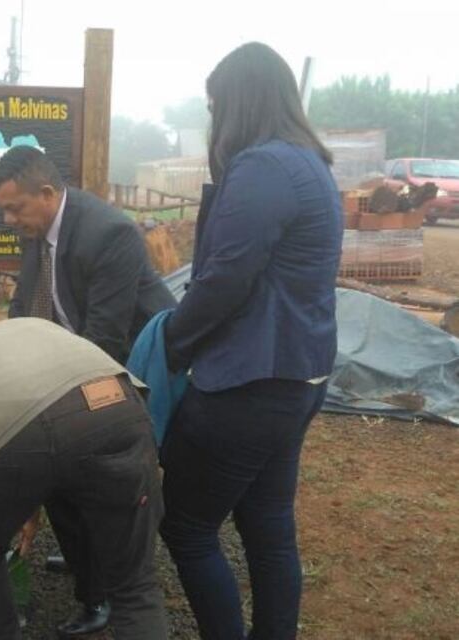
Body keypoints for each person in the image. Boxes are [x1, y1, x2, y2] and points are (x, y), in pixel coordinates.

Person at [159, 42, 343, 640]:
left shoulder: (263, 167)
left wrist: (170, 343)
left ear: (238, 102)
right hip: (298, 375)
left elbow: (223, 279)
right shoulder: (309, 163)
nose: (213, 120)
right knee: (267, 525)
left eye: (215, 106)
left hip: (249, 382)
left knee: (185, 526)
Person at [0, 145, 176, 635]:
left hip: (131, 367)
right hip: (76, 358)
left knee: (89, 469)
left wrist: (50, 400)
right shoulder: (37, 230)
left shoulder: (108, 232)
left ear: (46, 194)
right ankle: (87, 563)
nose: (9, 220)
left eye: (15, 208)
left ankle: (104, 589)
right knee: (57, 468)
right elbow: (24, 305)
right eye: (3, 210)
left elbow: (105, 338)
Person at [0, 319, 168, 640]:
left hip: (19, 433)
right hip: (120, 404)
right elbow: (47, 413)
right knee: (134, 585)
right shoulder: (17, 334)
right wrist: (29, 511)